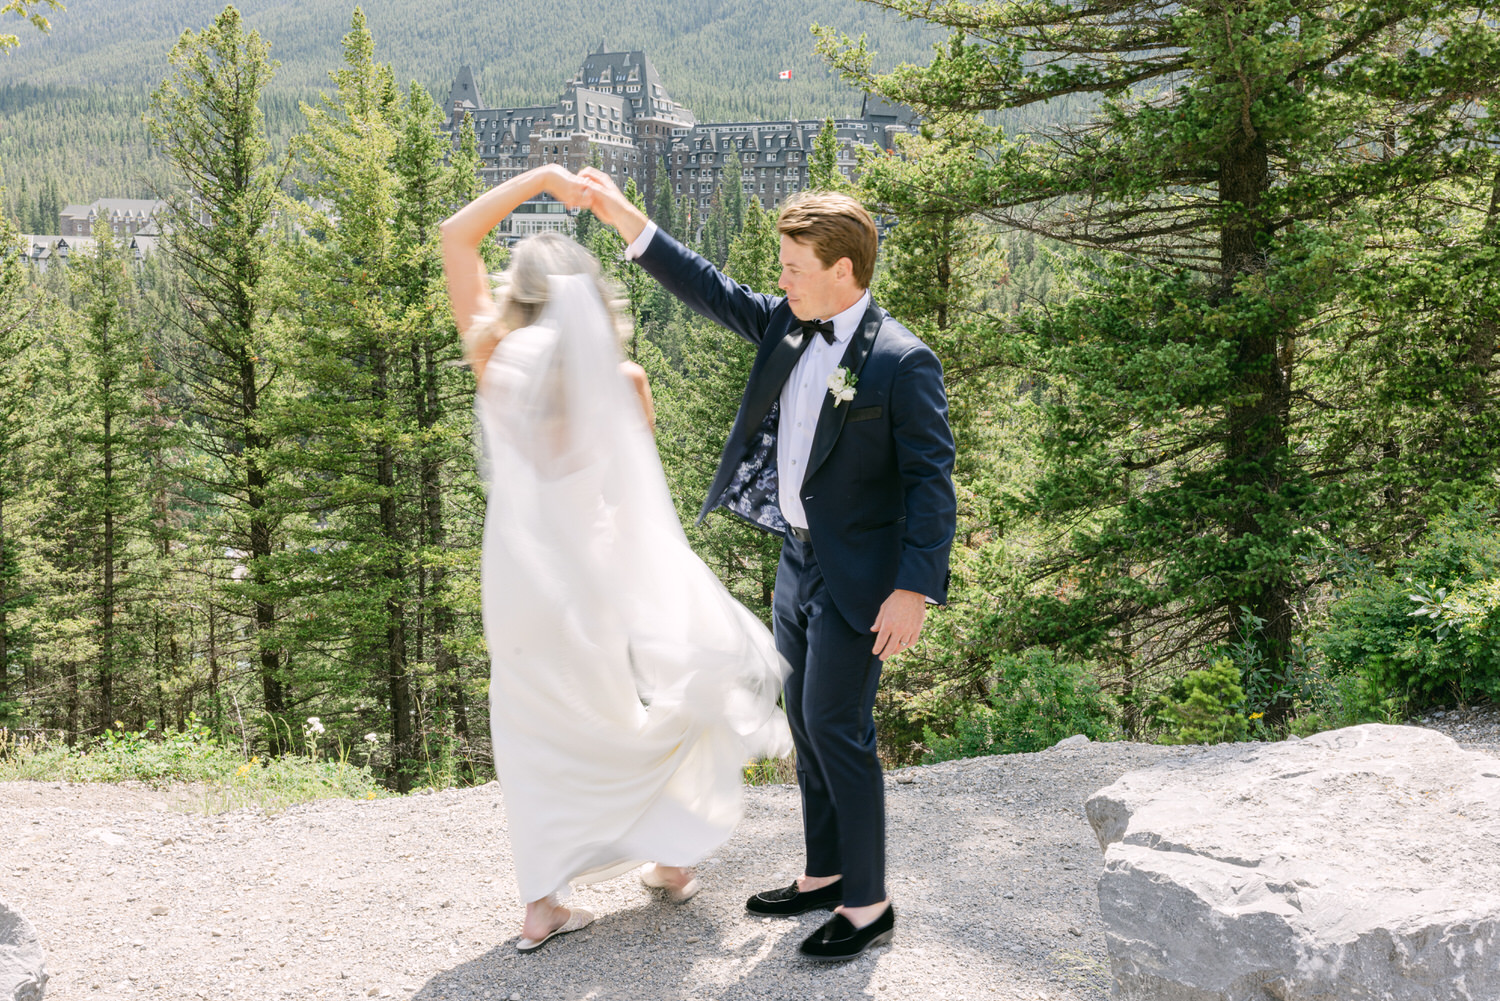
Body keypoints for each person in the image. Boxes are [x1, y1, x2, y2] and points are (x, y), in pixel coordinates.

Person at [578, 169, 957, 961]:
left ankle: (868, 902)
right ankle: (823, 873)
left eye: (793, 267)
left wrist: (915, 586)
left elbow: (931, 481)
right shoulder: (789, 324)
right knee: (809, 730)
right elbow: (707, 288)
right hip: (797, 562)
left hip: (863, 578)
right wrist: (624, 218)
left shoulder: (901, 361)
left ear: (843, 271)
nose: (779, 279)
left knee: (837, 727)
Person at [440, 164, 790, 953]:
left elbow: (454, 235)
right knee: (639, 713)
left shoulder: (492, 357)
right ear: (594, 304)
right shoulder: (626, 381)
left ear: (517, 295)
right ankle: (670, 857)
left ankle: (542, 905)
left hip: (520, 582)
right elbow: (636, 499)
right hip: (594, 576)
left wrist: (540, 178)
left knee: (533, 728)